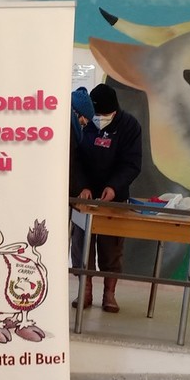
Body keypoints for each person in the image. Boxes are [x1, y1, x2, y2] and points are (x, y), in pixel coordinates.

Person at [70, 83, 142, 312]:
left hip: (114, 198)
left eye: (104, 114)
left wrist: (114, 187)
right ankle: (85, 290)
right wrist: (82, 186)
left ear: (115, 111)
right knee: (82, 245)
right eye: (96, 114)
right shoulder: (82, 121)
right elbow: (73, 157)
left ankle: (109, 294)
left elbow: (132, 164)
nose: (99, 118)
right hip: (84, 198)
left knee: (112, 249)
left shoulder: (130, 126)